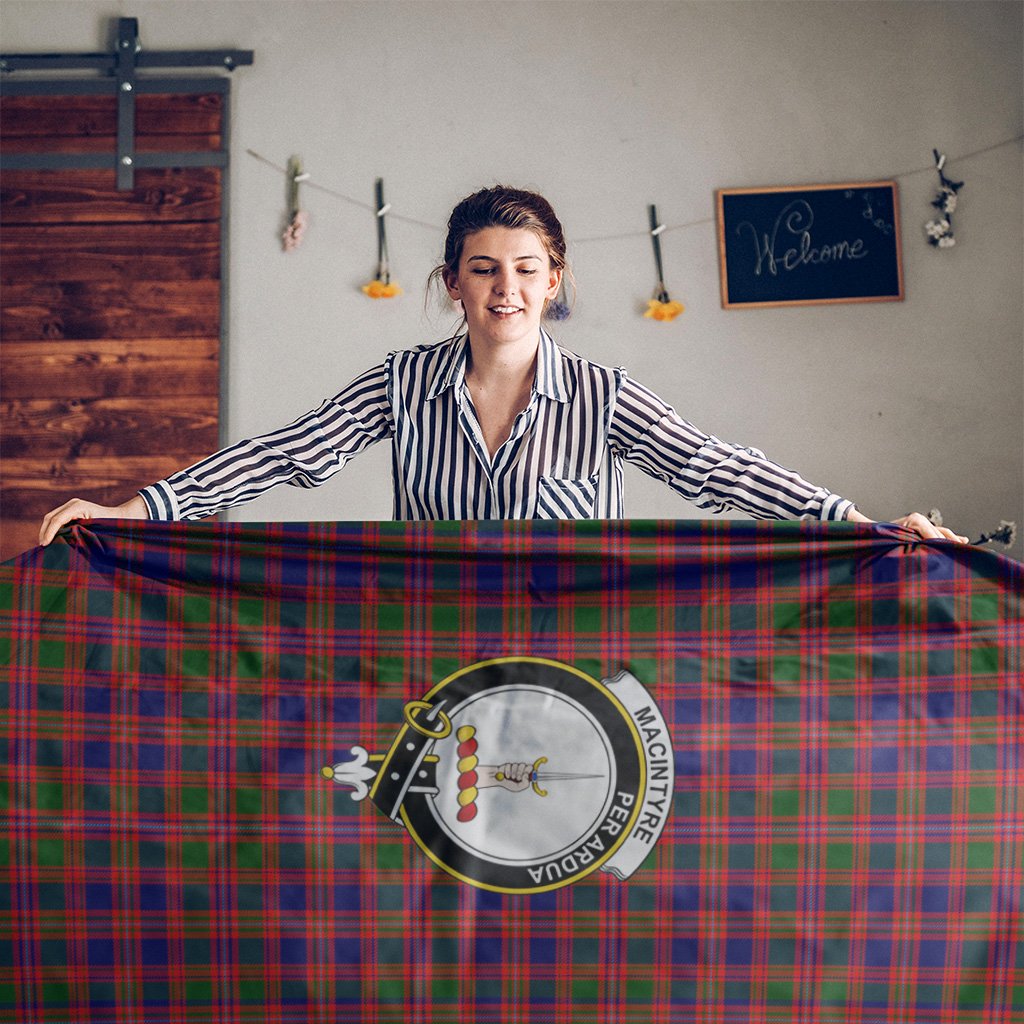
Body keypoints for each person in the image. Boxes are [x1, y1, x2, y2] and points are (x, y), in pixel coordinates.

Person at [38, 186, 968, 546]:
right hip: (433, 657)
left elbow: (717, 467)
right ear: (453, 283)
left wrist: (859, 522)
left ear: (555, 281)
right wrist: (137, 511)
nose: (506, 289)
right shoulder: (401, 382)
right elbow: (284, 455)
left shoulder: (604, 397)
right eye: (484, 270)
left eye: (527, 271)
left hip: (578, 664)